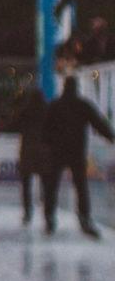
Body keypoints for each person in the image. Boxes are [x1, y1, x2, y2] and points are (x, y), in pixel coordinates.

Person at [41, 74, 114, 240]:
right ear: (76, 88)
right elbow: (98, 122)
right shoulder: (82, 105)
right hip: (77, 152)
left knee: (52, 186)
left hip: (57, 152)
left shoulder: (55, 105)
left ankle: (49, 219)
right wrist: (110, 136)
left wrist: (48, 145)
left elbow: (45, 129)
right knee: (81, 186)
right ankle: (84, 219)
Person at [9, 82, 50, 227]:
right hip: (44, 153)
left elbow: (13, 124)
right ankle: (48, 214)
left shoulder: (25, 111)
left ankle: (27, 213)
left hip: (27, 152)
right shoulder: (48, 111)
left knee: (26, 185)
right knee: (46, 185)